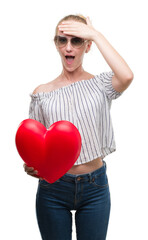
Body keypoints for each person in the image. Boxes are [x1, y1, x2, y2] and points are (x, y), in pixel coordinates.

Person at [24, 14, 133, 240]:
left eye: (77, 40)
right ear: (56, 45)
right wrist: (31, 165)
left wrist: (94, 33)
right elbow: (36, 144)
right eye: (62, 40)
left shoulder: (100, 85)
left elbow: (127, 76)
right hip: (53, 189)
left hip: (95, 187)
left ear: (87, 46)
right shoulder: (42, 94)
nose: (69, 47)